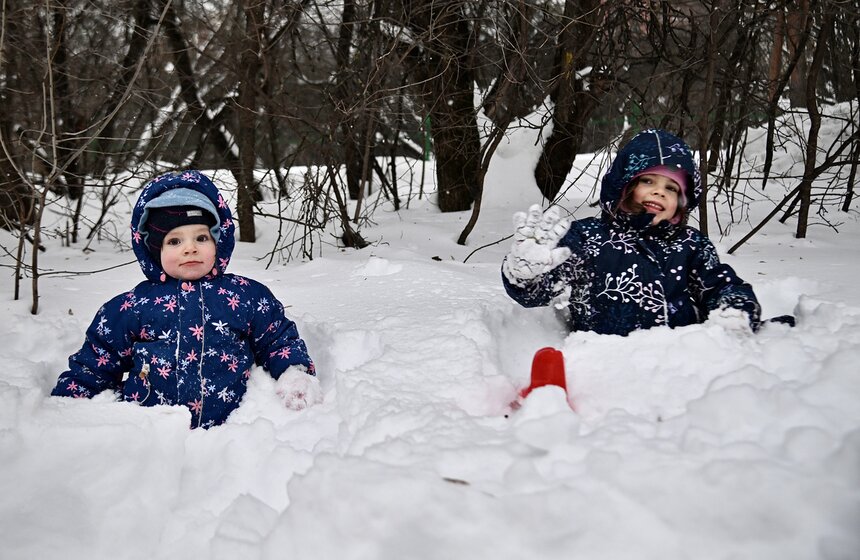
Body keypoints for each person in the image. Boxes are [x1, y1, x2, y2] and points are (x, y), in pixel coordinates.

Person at [51, 170, 319, 428]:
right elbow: (98, 359)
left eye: (201, 237)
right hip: (150, 430)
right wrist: (69, 405)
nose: (190, 248)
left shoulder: (245, 295)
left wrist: (292, 372)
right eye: (174, 242)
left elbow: (276, 339)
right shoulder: (132, 306)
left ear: (218, 242)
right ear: (155, 251)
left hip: (234, 431)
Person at [502, 128, 761, 336]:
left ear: (682, 201)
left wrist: (734, 309)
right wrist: (528, 274)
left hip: (677, 360)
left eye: (671, 188)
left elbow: (720, 285)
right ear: (624, 185)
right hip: (604, 361)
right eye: (648, 181)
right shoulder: (587, 237)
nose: (659, 191)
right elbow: (541, 291)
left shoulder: (690, 245)